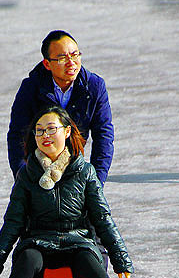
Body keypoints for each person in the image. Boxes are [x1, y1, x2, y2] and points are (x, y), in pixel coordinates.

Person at [0, 106, 135, 278]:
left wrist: (121, 259)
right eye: (39, 131)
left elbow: (103, 218)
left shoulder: (84, 172)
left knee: (88, 258)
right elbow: (13, 222)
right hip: (38, 244)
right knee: (27, 258)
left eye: (51, 129)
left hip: (76, 242)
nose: (45, 136)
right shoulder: (27, 174)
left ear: (66, 132)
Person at [6, 30, 114, 184]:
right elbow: (17, 135)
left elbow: (104, 136)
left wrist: (96, 183)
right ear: (47, 64)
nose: (71, 63)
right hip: (38, 166)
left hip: (74, 165)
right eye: (62, 58)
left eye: (75, 55)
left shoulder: (94, 87)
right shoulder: (31, 88)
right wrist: (23, 179)